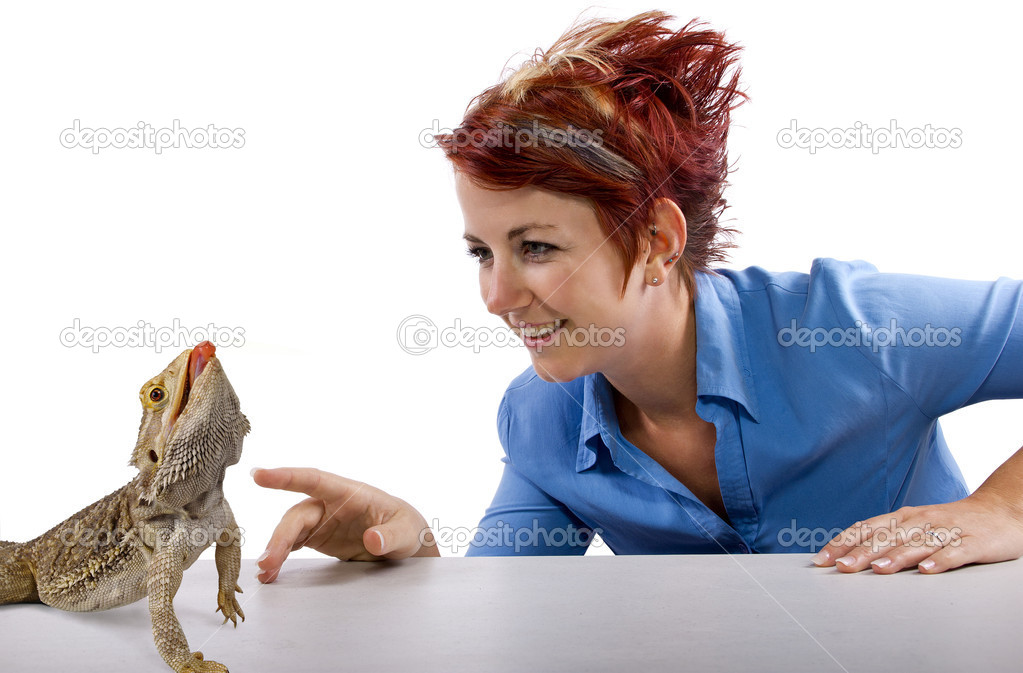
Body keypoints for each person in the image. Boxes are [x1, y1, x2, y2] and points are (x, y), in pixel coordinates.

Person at [253, 10, 1023, 581]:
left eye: (536, 247)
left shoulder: (854, 328)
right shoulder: (542, 419)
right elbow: (500, 607)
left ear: (657, 238)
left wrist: (1005, 508)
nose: (494, 296)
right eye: (481, 252)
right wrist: (410, 550)